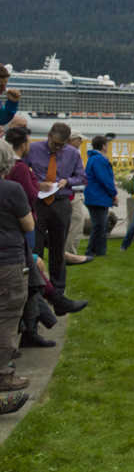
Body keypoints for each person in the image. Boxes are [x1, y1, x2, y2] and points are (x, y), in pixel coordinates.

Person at [25, 122, 86, 290]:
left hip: (61, 203)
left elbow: (82, 177)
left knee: (58, 249)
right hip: (38, 203)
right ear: (49, 136)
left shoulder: (73, 154)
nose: (57, 148)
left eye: (61, 145)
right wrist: (36, 184)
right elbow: (21, 170)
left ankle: (58, 289)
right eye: (55, 144)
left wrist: (68, 182)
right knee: (35, 248)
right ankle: (35, 288)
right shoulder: (33, 149)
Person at [0, 139, 34, 395]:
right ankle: (3, 374)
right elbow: (29, 225)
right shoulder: (11, 189)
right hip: (7, 260)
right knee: (7, 318)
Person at [82, 135, 117, 258]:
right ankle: (94, 251)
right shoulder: (100, 160)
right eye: (107, 145)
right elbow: (105, 179)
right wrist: (114, 194)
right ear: (103, 146)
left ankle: (97, 250)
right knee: (100, 225)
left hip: (93, 196)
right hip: (98, 197)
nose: (107, 147)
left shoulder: (92, 159)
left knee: (99, 225)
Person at [62, 131, 89, 258]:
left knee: (72, 224)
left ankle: (66, 252)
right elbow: (79, 177)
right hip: (73, 193)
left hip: (72, 192)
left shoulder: (65, 153)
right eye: (79, 139)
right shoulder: (71, 154)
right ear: (71, 140)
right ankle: (70, 253)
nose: (81, 142)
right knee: (76, 223)